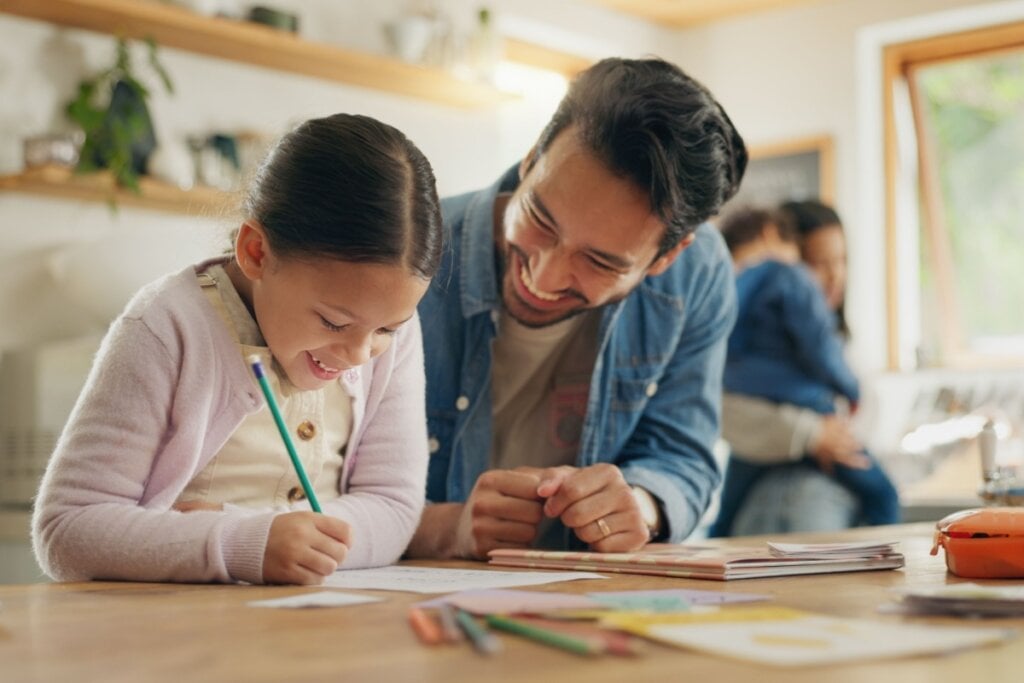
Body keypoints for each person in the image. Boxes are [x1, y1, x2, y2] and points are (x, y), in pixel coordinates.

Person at [32, 114, 443, 585]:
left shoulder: (388, 335)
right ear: (256, 252)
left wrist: (267, 534)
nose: (358, 354)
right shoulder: (166, 327)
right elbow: (67, 529)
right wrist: (241, 542)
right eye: (334, 322)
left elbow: (394, 507)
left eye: (388, 328)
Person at [406, 57, 748, 560]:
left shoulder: (696, 275)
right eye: (540, 219)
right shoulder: (409, 253)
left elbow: (681, 453)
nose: (543, 277)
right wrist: (446, 529)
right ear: (530, 160)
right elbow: (309, 487)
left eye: (600, 262)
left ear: (667, 256)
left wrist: (641, 504)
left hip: (592, 597)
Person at [709, 202, 900, 537]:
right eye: (818, 264)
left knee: (723, 521)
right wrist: (813, 435)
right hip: (779, 473)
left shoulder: (842, 339)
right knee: (884, 495)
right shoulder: (785, 292)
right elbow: (726, 410)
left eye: (841, 261)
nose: (833, 275)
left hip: (805, 465)